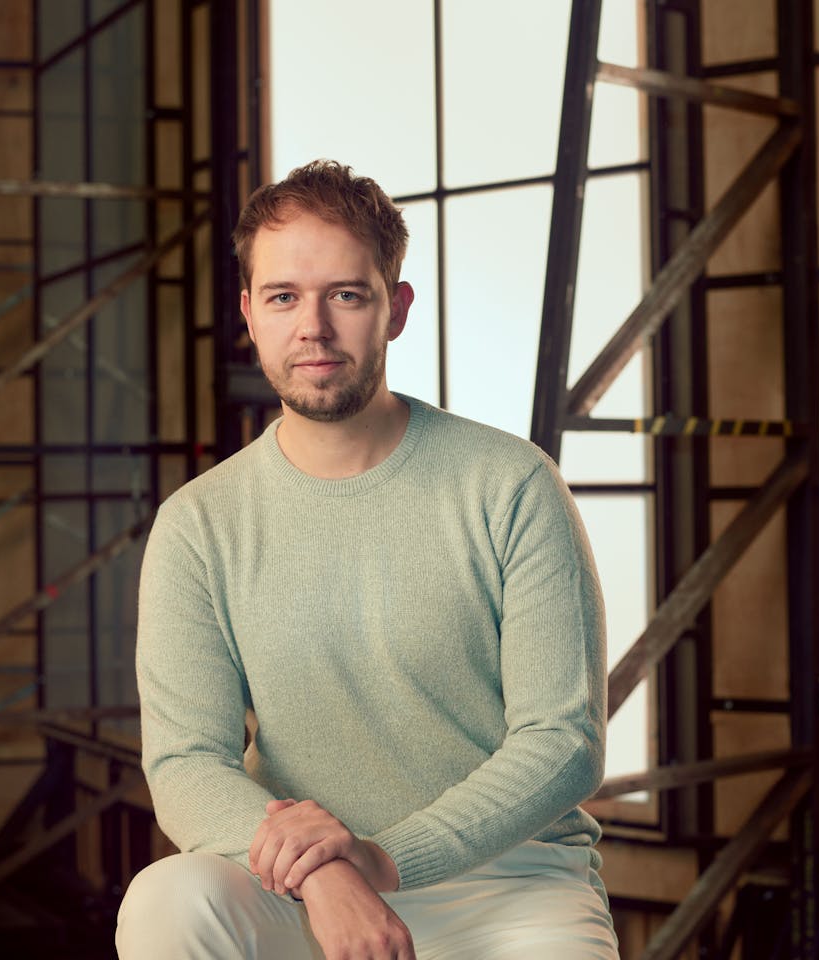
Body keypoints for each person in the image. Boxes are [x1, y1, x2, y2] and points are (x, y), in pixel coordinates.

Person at [115, 160, 619, 959]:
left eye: (345, 294)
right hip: (295, 882)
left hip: (508, 881)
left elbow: (564, 741)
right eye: (283, 297)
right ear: (249, 313)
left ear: (396, 309)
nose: (312, 327)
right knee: (168, 900)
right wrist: (326, 876)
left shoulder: (510, 484)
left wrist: (379, 859)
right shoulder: (198, 525)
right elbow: (185, 761)